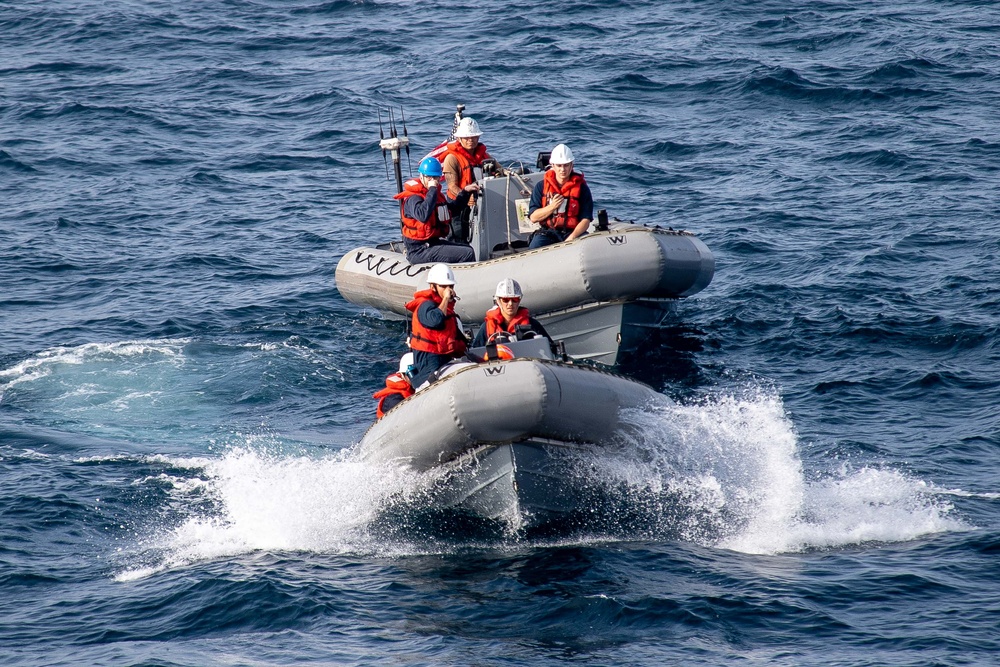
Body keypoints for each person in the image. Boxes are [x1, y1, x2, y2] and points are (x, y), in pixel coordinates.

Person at [396, 157, 478, 265]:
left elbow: (451, 210)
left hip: (433, 243)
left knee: (467, 249)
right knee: (467, 253)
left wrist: (465, 192)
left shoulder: (436, 196)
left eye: (435, 177)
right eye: (429, 177)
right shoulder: (414, 198)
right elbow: (423, 215)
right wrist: (432, 189)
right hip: (419, 250)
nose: (433, 180)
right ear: (421, 177)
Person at [405, 263, 468, 388]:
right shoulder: (425, 305)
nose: (448, 289)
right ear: (433, 287)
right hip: (429, 358)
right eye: (443, 286)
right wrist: (445, 299)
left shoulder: (445, 308)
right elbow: (436, 321)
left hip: (443, 356)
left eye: (450, 286)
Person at [527, 143, 594, 249]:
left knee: (587, 247)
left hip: (572, 232)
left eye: (566, 165)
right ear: (553, 165)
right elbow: (533, 217)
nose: (563, 169)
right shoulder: (541, 186)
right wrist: (552, 207)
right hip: (548, 233)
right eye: (559, 165)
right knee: (534, 247)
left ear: (572, 165)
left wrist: (572, 238)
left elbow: (586, 219)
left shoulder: (582, 188)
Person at [471, 278, 551, 347]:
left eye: (515, 299)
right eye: (505, 300)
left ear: (519, 300)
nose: (510, 304)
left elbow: (551, 347)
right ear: (498, 301)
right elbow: (475, 353)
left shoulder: (532, 325)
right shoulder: (486, 327)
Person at [440, 117, 492, 200]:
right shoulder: (451, 158)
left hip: (482, 199)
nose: (470, 140)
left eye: (473, 136)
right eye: (466, 138)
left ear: (478, 137)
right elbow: (452, 186)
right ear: (459, 138)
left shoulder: (484, 156)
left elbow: (500, 170)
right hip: (458, 203)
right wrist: (465, 198)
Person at [372, 352, 415, 419]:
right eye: (413, 373)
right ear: (402, 375)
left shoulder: (415, 388)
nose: (417, 377)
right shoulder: (394, 399)